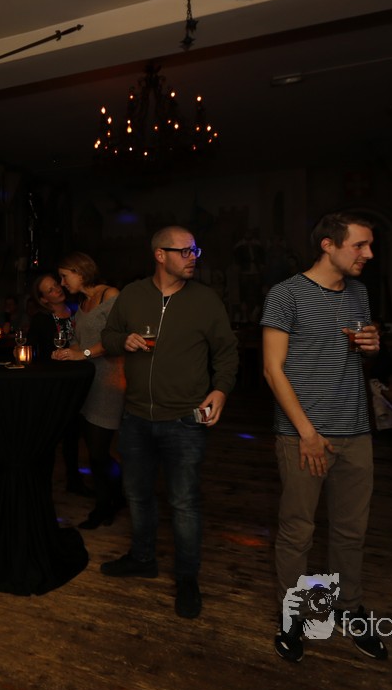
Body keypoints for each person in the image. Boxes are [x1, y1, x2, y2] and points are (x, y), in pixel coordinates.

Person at [262, 211, 386, 661]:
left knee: (352, 531)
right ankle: (293, 616)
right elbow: (272, 369)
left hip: (355, 430)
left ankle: (349, 608)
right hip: (303, 434)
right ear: (328, 245)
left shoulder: (359, 293)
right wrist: (307, 433)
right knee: (298, 531)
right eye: (360, 245)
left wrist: (371, 348)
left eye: (370, 245)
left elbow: (352, 357)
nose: (368, 254)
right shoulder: (286, 294)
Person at [98, 228, 237, 620]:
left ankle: (187, 578)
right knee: (138, 495)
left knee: (184, 503)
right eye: (185, 251)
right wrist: (123, 340)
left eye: (196, 250)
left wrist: (221, 390)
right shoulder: (132, 295)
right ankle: (142, 558)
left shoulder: (205, 300)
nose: (194, 257)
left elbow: (227, 352)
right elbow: (108, 335)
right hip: (135, 417)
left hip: (184, 421)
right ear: (160, 255)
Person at [51, 252, 126, 530]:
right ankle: (115, 497)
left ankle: (106, 504)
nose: (62, 283)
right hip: (88, 383)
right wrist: (65, 352)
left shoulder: (110, 295)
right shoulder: (82, 304)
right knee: (96, 452)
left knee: (97, 452)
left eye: (64, 276)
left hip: (110, 382)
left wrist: (81, 353)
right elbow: (77, 341)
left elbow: (115, 339)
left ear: (80, 272)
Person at [29, 273, 90, 496]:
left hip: (78, 380)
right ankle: (42, 486)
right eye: (50, 290)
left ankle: (74, 480)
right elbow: (31, 350)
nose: (57, 289)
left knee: (73, 435)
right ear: (44, 299)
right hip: (54, 385)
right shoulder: (41, 319)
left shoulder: (78, 311)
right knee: (51, 436)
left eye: (56, 285)